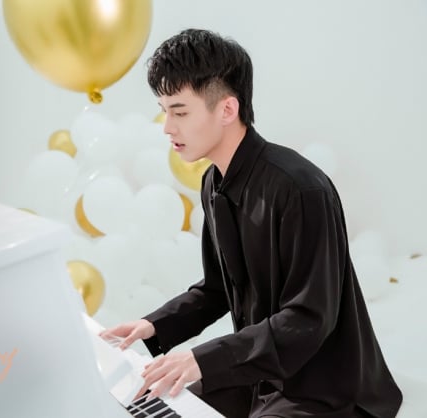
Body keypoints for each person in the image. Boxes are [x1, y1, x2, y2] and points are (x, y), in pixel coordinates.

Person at [101, 28, 402, 418]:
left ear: (227, 109)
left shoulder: (300, 188)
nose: (167, 127)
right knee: (149, 406)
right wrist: (153, 326)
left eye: (180, 111)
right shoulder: (213, 183)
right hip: (257, 375)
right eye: (164, 110)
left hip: (325, 388)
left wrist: (202, 359)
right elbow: (216, 289)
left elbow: (309, 320)